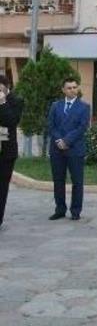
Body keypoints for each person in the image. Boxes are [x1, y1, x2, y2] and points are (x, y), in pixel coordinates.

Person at [47, 77, 91, 221]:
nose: (72, 90)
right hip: (57, 149)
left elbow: (82, 127)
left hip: (75, 149)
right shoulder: (55, 106)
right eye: (69, 88)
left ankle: (75, 211)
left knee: (77, 182)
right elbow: (51, 126)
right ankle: (60, 209)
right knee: (58, 180)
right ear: (63, 90)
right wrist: (59, 140)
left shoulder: (84, 107)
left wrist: (66, 141)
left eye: (74, 87)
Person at [0, 75, 23, 231]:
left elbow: (11, 121)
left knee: (1, 187)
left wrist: (2, 103)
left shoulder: (15, 101)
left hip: (6, 152)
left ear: (6, 87)